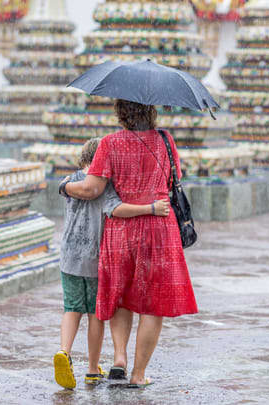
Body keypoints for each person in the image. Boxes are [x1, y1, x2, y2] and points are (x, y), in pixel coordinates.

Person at [61, 99, 198, 388]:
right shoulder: (165, 140)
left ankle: (119, 359)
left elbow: (92, 188)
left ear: (120, 112)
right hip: (158, 228)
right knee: (152, 305)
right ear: (151, 110)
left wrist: (64, 186)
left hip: (120, 230)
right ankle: (138, 374)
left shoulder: (109, 144)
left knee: (121, 295)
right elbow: (175, 179)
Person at [54, 137, 170, 390]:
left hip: (69, 258)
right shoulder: (104, 184)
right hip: (96, 259)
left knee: (71, 308)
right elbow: (116, 209)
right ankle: (93, 369)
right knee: (96, 315)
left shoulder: (71, 180)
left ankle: (63, 352)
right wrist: (150, 208)